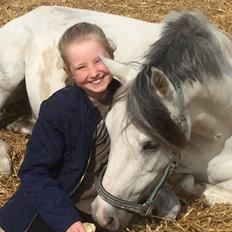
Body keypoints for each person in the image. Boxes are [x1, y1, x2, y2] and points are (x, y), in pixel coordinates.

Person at [0, 22, 120, 232]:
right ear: (69, 72)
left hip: (102, 207)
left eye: (99, 60)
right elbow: (35, 172)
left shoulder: (128, 99)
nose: (93, 72)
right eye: (81, 67)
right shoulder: (59, 110)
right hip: (57, 202)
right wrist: (67, 221)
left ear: (113, 56)